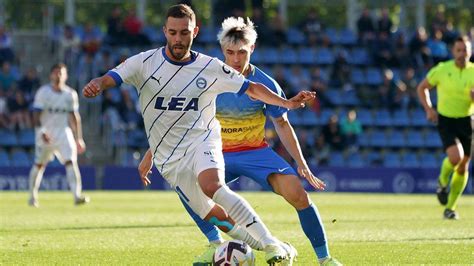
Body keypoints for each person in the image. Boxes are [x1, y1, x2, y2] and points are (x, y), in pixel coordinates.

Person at [82, 4, 314, 264]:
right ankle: (275, 247)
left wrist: (288, 104)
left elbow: (252, 88)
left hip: (203, 139)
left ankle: (272, 247)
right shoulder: (144, 62)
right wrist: (97, 84)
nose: (178, 39)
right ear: (164, 32)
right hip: (168, 158)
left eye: (184, 33)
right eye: (172, 32)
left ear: (195, 31)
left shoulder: (210, 67)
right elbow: (112, 77)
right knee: (213, 216)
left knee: (212, 186)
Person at [139, 16, 341, 266]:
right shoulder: (208, 78)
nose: (235, 59)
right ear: (223, 50)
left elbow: (282, 123)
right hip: (213, 151)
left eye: (242, 52)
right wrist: (150, 156)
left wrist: (301, 164)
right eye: (230, 52)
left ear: (252, 49)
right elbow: (178, 123)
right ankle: (216, 245)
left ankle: (325, 259)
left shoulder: (266, 85)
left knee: (298, 194)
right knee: (189, 188)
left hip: (255, 151)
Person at [416, 35, 473, 220]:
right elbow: (422, 88)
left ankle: (450, 208)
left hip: (467, 121)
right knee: (456, 157)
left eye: (465, 50)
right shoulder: (442, 69)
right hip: (447, 120)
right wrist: (429, 109)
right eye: (458, 50)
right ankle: (442, 181)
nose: (462, 53)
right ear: (453, 52)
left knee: (464, 166)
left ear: (470, 51)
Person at [28, 63, 88, 207]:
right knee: (39, 165)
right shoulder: (43, 92)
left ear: (66, 76)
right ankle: (32, 196)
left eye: (61, 73)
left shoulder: (70, 94)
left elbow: (74, 117)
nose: (58, 75)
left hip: (63, 132)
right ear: (51, 75)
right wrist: (41, 132)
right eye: (55, 72)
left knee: (71, 163)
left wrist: (79, 138)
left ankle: (76, 195)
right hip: (45, 133)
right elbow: (35, 115)